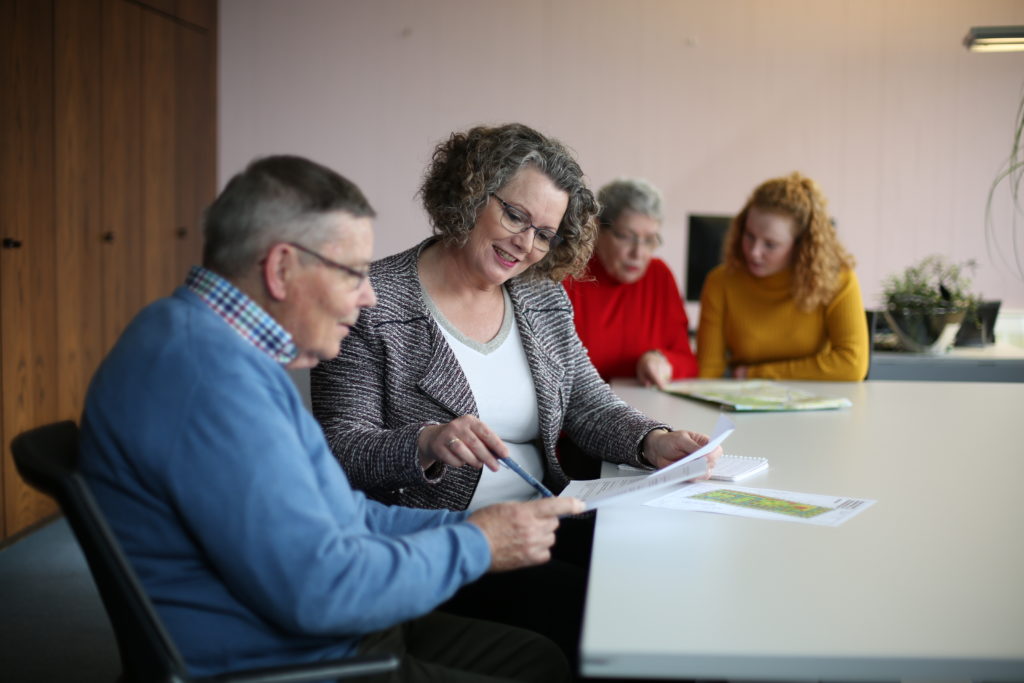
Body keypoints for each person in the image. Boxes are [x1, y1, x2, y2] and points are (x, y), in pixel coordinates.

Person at [78, 155, 585, 682]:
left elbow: (342, 513)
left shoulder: (205, 339)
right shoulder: (211, 379)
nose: (369, 296)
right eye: (352, 274)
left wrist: (478, 528)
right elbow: (320, 591)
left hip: (325, 627)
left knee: (541, 658)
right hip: (297, 657)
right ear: (280, 269)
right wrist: (477, 546)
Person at [310, 124, 721, 668]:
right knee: (601, 611)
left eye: (546, 233)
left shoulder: (541, 296)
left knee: (669, 571)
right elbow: (340, 451)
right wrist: (427, 443)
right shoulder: (373, 304)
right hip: (451, 541)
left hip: (543, 516)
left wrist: (653, 440)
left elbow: (589, 403)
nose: (527, 245)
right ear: (469, 194)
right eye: (516, 216)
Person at [697, 171, 869, 381]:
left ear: (801, 247)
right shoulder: (720, 282)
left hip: (816, 404)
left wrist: (756, 374)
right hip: (741, 404)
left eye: (770, 244)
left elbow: (852, 365)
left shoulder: (838, 281)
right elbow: (708, 372)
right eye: (749, 236)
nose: (754, 252)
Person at [563, 178, 698, 389]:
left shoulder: (659, 275)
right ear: (598, 229)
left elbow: (688, 361)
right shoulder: (568, 274)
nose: (638, 253)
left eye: (650, 240)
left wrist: (662, 361)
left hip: (642, 411)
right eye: (627, 237)